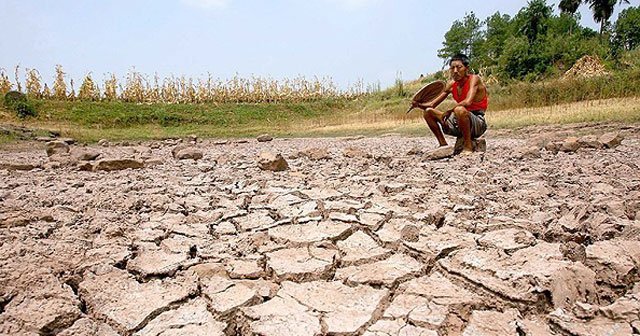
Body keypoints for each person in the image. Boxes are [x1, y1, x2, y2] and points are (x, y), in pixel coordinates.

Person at [412, 53, 488, 155]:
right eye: (452, 68)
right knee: (428, 112)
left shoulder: (474, 79)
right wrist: (418, 105)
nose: (455, 71)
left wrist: (449, 111)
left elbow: (467, 101)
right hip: (458, 121)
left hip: (477, 122)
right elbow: (432, 105)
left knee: (459, 109)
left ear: (467, 69)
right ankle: (443, 145)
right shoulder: (452, 84)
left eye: (459, 67)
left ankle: (468, 146)